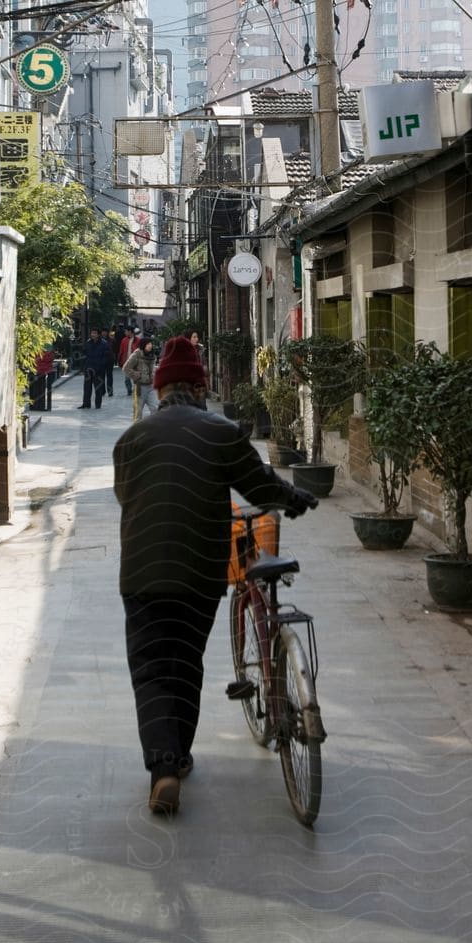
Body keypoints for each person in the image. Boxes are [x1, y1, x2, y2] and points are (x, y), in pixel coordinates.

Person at [113, 335, 316, 815]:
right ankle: (178, 755)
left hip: (141, 573)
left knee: (151, 671)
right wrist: (295, 499)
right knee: (184, 663)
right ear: (200, 387)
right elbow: (259, 485)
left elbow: (127, 497)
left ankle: (164, 768)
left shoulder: (131, 440)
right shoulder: (221, 433)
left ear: (160, 390)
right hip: (201, 574)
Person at [122, 335, 158, 419]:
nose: (150, 345)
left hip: (151, 387)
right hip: (140, 388)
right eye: (148, 344)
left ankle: (154, 429)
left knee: (155, 409)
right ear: (143, 345)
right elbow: (125, 368)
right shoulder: (137, 354)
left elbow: (153, 368)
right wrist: (137, 375)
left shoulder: (152, 355)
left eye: (151, 343)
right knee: (138, 413)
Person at [81, 327, 113, 410]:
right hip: (88, 368)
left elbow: (106, 357)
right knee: (87, 387)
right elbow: (84, 354)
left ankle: (98, 405)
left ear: (98, 334)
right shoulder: (88, 343)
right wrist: (84, 366)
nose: (92, 334)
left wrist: (101, 366)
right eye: (92, 333)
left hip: (99, 370)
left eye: (94, 333)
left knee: (98, 388)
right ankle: (86, 404)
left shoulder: (104, 343)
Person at [32, 345, 55, 411]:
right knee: (44, 390)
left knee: (39, 390)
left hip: (41, 371)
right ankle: (46, 406)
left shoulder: (38, 352)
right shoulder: (48, 351)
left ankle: (39, 406)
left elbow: (37, 360)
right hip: (45, 371)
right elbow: (50, 358)